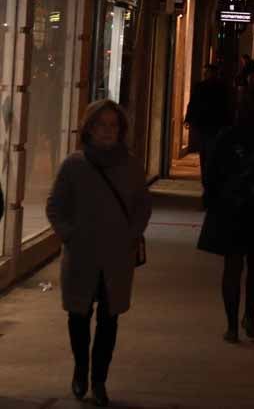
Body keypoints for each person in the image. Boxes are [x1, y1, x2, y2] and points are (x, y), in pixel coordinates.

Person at [46, 100, 152, 407]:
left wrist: (130, 235)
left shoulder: (130, 165)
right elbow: (55, 205)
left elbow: (142, 205)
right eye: (101, 125)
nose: (107, 131)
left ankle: (99, 380)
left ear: (121, 130)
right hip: (81, 256)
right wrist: (70, 235)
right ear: (89, 128)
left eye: (113, 125)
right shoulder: (74, 165)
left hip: (117, 257)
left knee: (109, 320)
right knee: (78, 317)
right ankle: (81, 368)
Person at [197, 79, 254, 343]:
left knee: (233, 265)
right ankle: (248, 315)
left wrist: (213, 197)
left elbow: (212, 172)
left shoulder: (229, 135)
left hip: (233, 208)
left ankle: (232, 325)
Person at [184, 65, 233, 191]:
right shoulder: (221, 87)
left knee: (206, 153)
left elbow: (193, 103)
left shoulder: (202, 86)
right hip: (213, 125)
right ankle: (209, 178)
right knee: (210, 152)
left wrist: (189, 118)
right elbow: (228, 107)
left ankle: (207, 178)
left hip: (206, 124)